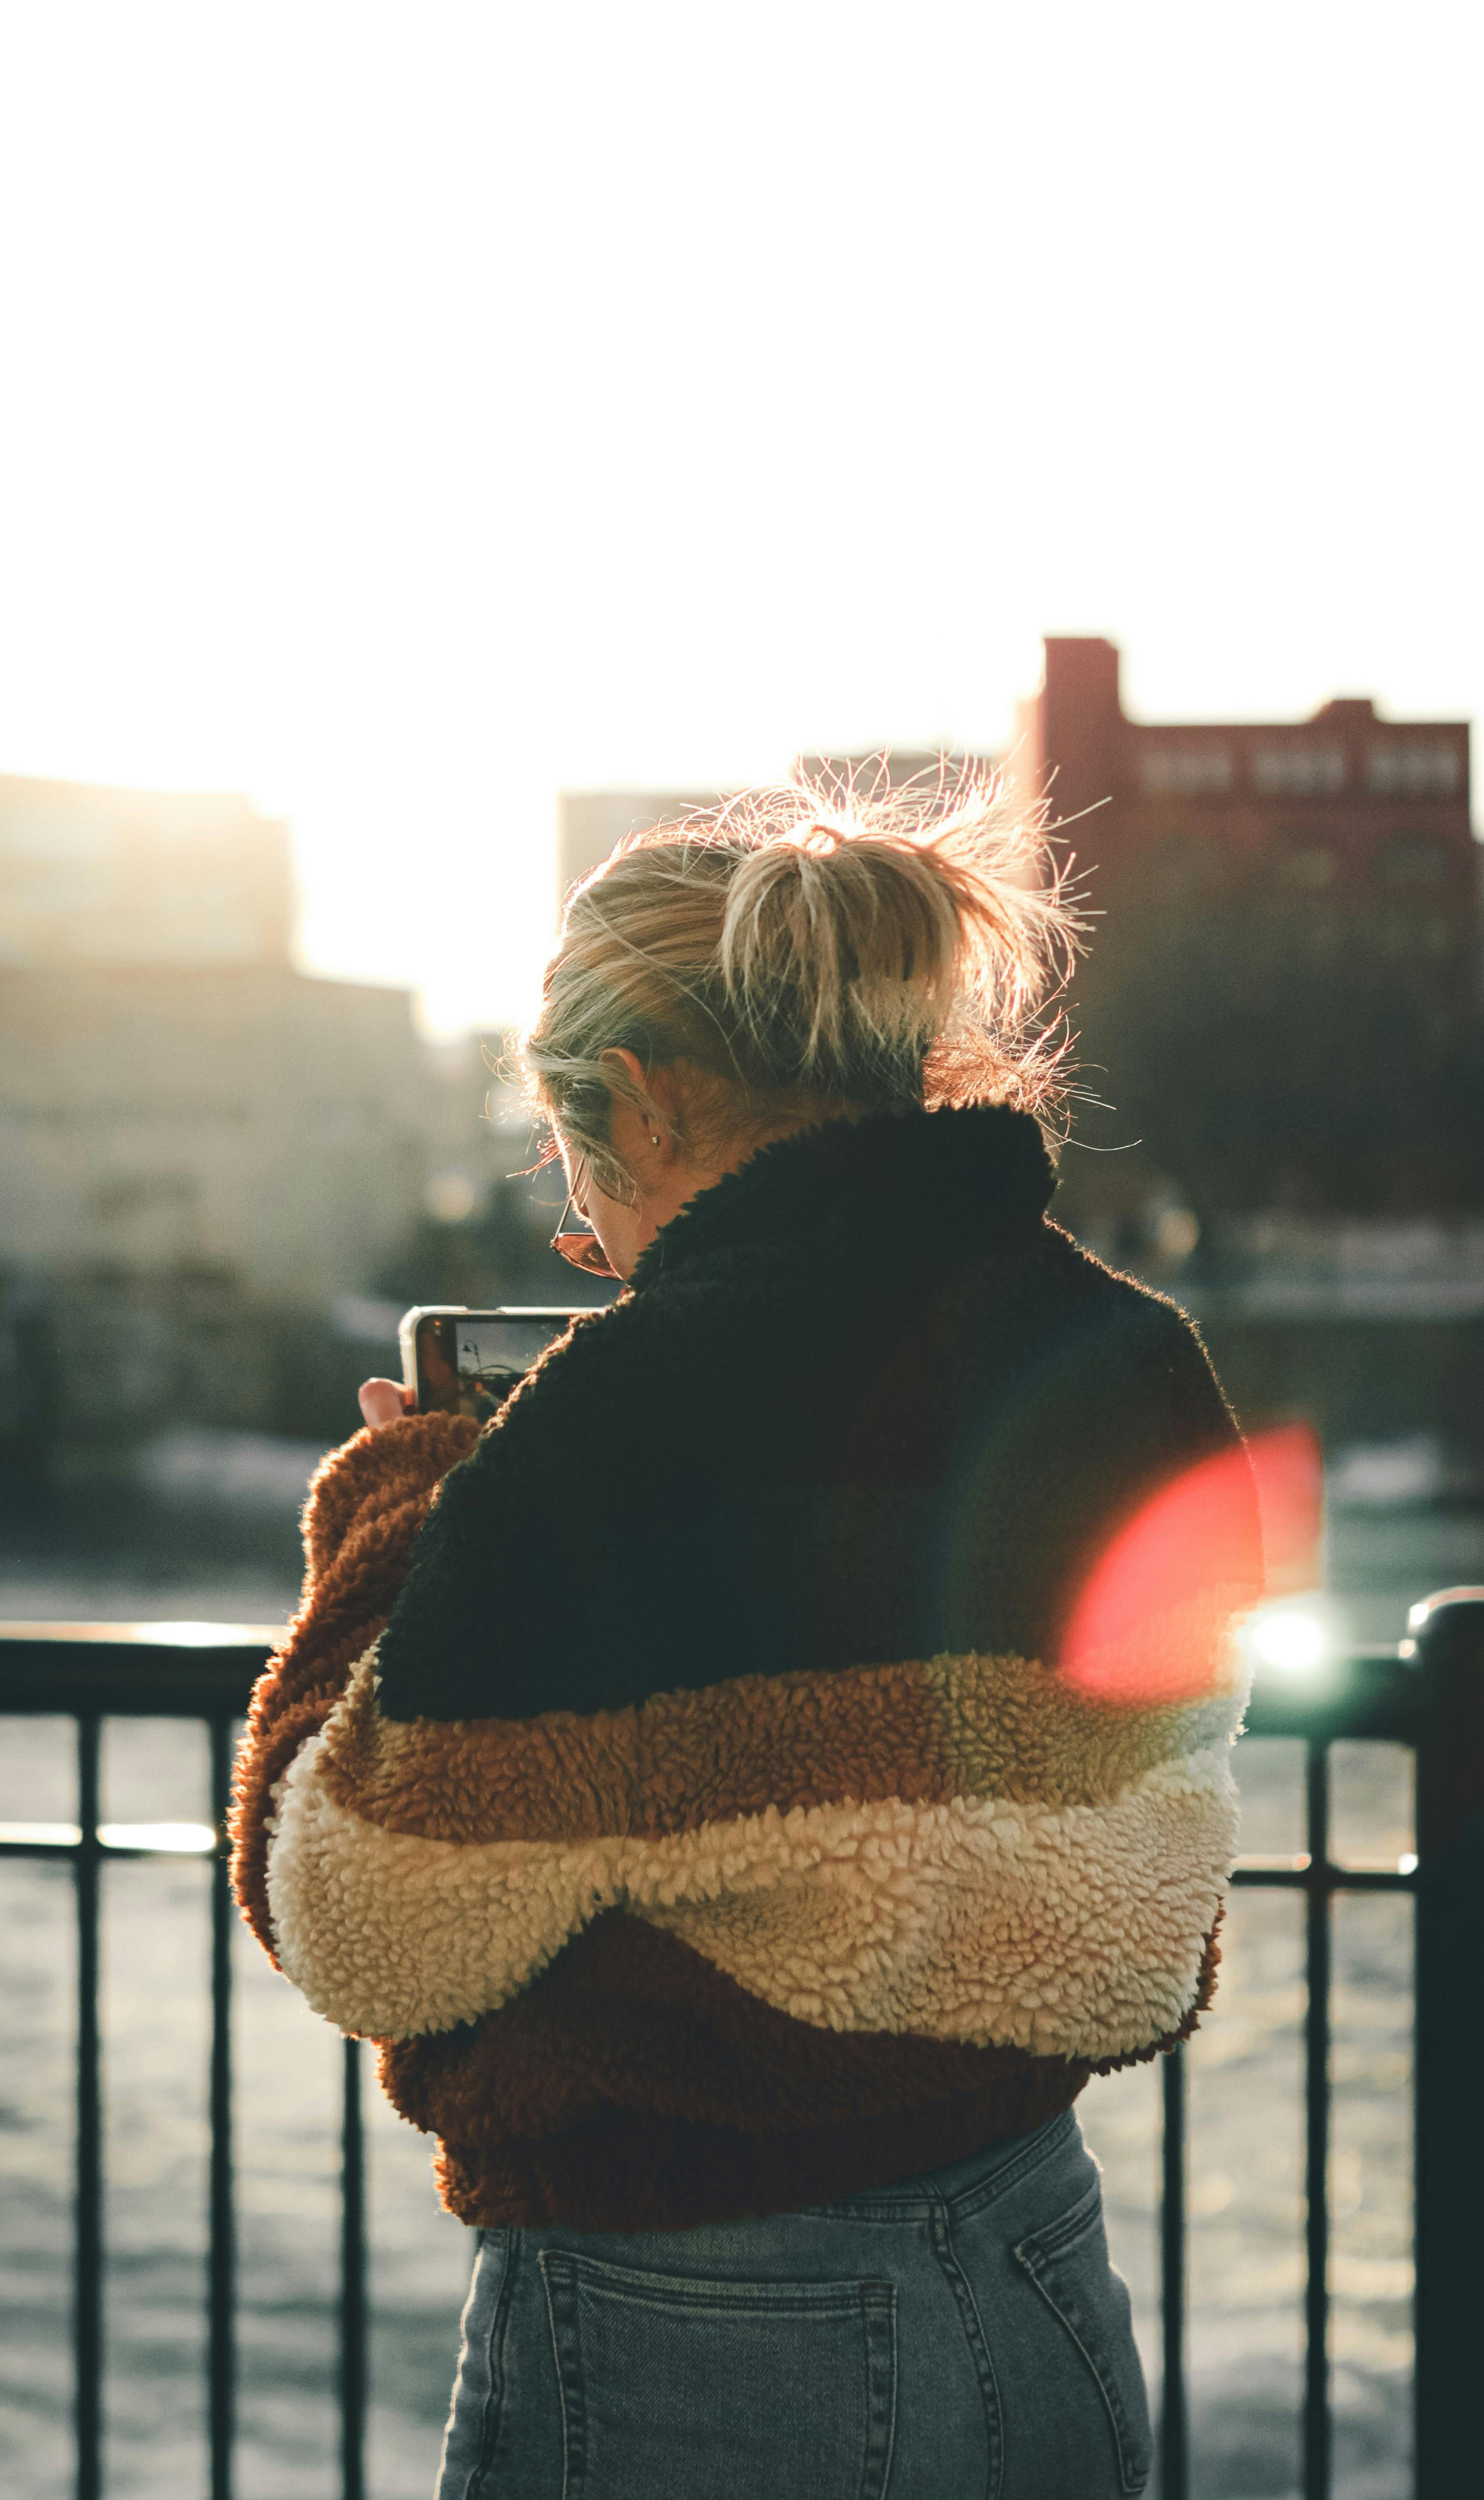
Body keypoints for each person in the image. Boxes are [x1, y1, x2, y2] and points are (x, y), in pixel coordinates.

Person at [231, 779, 1261, 2499]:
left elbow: (363, 1919)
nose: (592, 1233)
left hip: (709, 2330)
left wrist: (400, 1516)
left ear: (636, 1097)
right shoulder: (1124, 1349)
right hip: (1040, 2274)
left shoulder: (616, 1423)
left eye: (577, 1170)